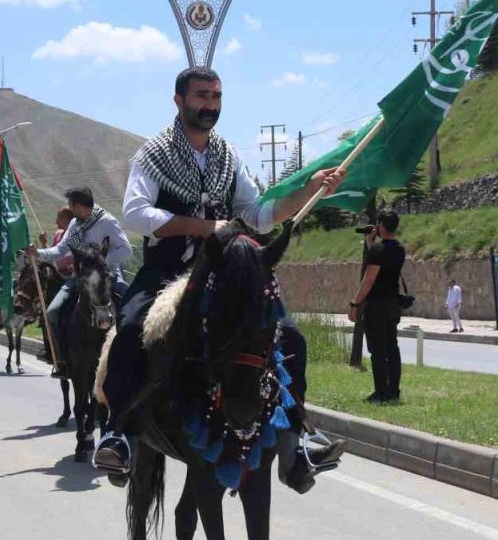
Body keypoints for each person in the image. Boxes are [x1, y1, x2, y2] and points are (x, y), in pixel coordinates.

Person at [94, 66, 347, 477]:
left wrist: (308, 190)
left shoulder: (229, 156)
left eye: (216, 96)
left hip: (224, 271)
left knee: (290, 335)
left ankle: (298, 438)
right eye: (201, 96)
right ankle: (118, 433)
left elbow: (258, 215)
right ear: (179, 101)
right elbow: (136, 214)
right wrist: (204, 227)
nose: (210, 105)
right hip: (165, 270)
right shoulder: (152, 155)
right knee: (129, 328)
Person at [27, 187, 132, 379]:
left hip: (107, 277)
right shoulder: (75, 224)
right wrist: (38, 254)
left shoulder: (107, 222)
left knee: (134, 307)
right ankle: (62, 360)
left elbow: (126, 250)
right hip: (79, 278)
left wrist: (99, 263)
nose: (70, 209)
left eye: (71, 205)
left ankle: (130, 358)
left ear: (79, 206)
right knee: (53, 312)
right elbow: (60, 250)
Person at [348, 210, 406, 403]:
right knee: (391, 346)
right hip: (392, 303)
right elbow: (383, 262)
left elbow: (369, 279)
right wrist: (370, 244)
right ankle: (393, 390)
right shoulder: (399, 249)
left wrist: (355, 303)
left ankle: (380, 391)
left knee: (377, 349)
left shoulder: (377, 251)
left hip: (377, 305)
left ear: (381, 225)